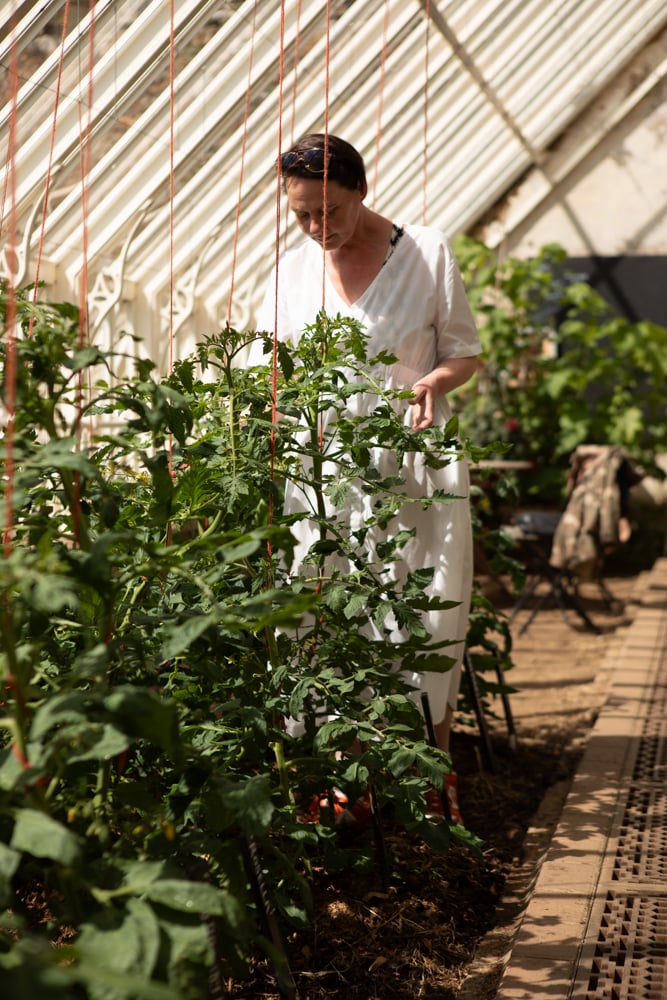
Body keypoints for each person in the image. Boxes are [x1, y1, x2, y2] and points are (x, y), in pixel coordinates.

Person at [253, 133, 482, 759]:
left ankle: (433, 768)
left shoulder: (427, 252)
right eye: (300, 212)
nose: (315, 225)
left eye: (330, 209)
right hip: (320, 468)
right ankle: (339, 774)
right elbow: (272, 373)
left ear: (362, 189)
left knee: (426, 601)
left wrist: (435, 378)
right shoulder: (290, 271)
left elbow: (464, 353)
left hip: (410, 459)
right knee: (323, 602)